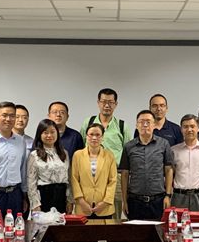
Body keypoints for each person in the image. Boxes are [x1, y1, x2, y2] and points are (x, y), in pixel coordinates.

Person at [79, 88, 131, 219]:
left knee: (115, 215)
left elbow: (128, 154)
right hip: (90, 176)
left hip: (115, 177)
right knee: (88, 214)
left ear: (116, 104)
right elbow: (81, 148)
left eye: (110, 102)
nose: (107, 105)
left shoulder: (122, 126)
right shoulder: (88, 122)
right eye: (103, 102)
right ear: (98, 103)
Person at [120, 110, 174, 220]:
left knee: (158, 230)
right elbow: (125, 174)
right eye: (141, 122)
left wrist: (168, 196)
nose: (145, 125)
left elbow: (168, 170)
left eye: (148, 122)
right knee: (135, 230)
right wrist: (124, 201)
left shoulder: (164, 144)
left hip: (158, 200)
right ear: (136, 125)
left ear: (154, 125)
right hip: (135, 201)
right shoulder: (128, 146)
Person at [171, 114, 199, 220]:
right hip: (179, 197)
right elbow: (171, 174)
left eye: (192, 126)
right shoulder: (173, 150)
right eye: (185, 127)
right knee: (179, 226)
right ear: (181, 129)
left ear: (198, 127)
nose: (189, 129)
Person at [71, 123, 118, 218]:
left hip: (104, 207)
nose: (94, 138)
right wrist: (81, 201)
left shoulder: (109, 155)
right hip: (83, 207)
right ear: (86, 136)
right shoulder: (77, 155)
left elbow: (112, 180)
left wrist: (105, 202)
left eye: (97, 135)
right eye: (91, 134)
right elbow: (74, 179)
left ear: (102, 137)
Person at [27, 119, 73, 214]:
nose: (49, 135)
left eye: (52, 132)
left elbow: (69, 178)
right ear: (40, 135)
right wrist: (35, 204)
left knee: (61, 222)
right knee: (44, 223)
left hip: (61, 196)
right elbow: (31, 182)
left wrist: (70, 200)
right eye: (45, 132)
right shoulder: (34, 155)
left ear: (57, 134)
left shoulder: (64, 153)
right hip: (43, 196)